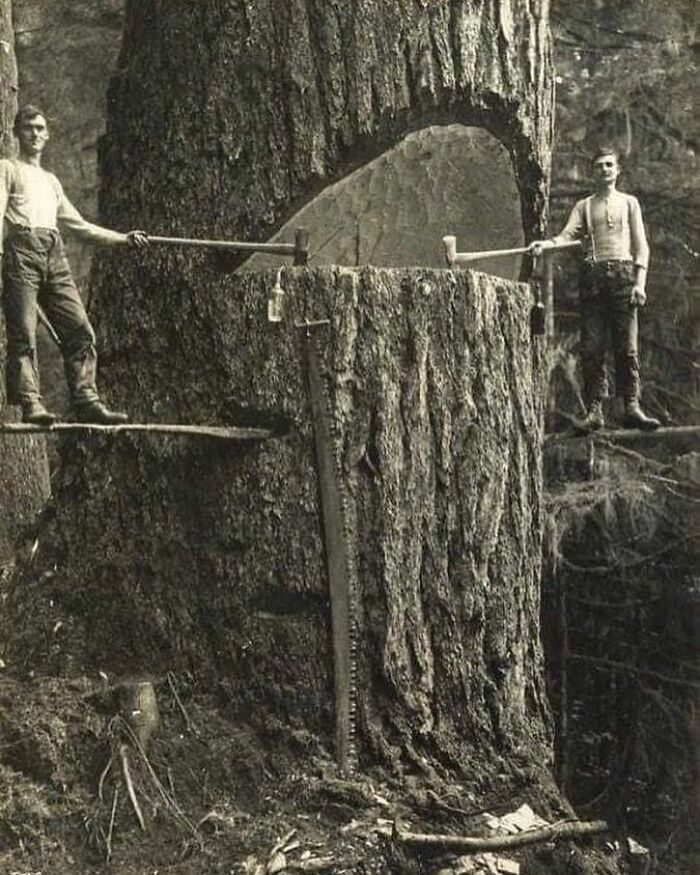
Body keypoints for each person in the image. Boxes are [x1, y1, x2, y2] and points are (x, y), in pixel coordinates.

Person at [0, 104, 149, 425]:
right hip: (20, 252)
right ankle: (31, 404)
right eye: (28, 128)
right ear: (16, 133)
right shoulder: (7, 169)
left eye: (40, 128)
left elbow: (79, 226)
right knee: (24, 333)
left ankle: (86, 399)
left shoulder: (51, 181)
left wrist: (123, 239)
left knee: (79, 328)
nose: (35, 134)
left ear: (48, 135)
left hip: (54, 253)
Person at [531, 145, 660, 431]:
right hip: (593, 282)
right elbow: (565, 237)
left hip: (623, 279)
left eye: (609, 165)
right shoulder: (584, 207)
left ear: (617, 170)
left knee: (626, 348)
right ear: (592, 171)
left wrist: (640, 284)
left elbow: (642, 248)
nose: (604, 170)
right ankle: (595, 411)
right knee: (592, 348)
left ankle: (631, 406)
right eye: (599, 165)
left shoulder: (629, 203)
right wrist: (545, 245)